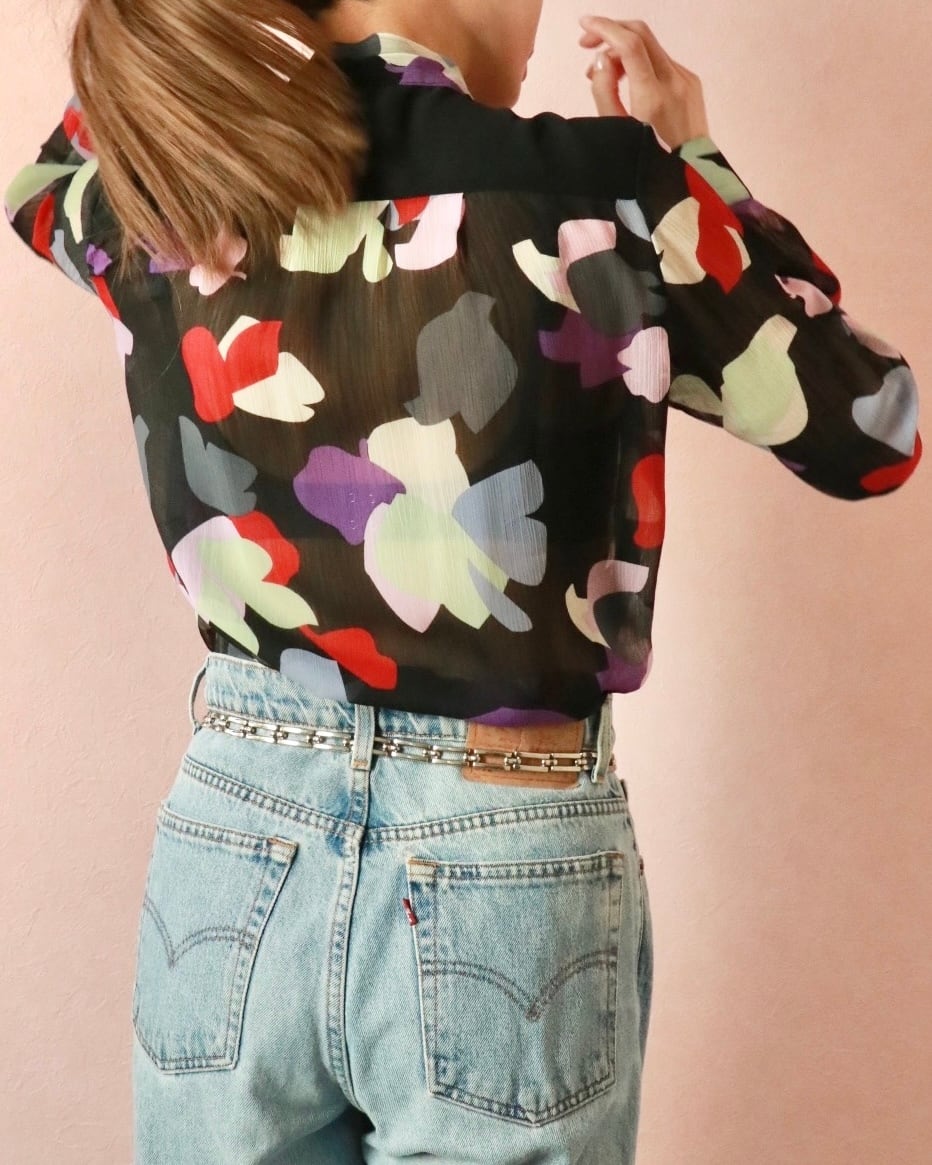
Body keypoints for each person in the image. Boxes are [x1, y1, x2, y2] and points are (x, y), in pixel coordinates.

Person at [5, 2, 922, 1162]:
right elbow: (869, 426)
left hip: (234, 848)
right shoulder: (609, 190)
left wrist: (235, 49)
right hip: (501, 849)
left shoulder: (164, 178)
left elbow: (44, 183)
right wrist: (691, 156)